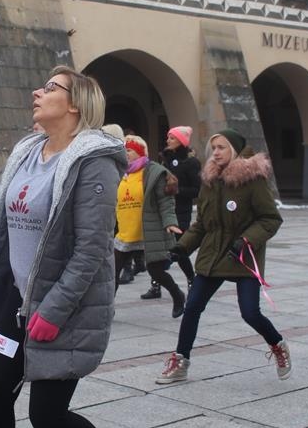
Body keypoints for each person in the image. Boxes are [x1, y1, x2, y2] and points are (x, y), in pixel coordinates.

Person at [0, 66, 126, 428]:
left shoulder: (93, 162)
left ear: (75, 105)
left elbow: (92, 248)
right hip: (16, 301)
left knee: (47, 417)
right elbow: (3, 227)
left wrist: (54, 310)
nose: (38, 92)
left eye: (51, 87)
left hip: (63, 305)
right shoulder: (26, 152)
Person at [156, 129, 290, 384]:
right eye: (213, 148)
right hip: (213, 255)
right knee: (192, 307)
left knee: (250, 313)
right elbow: (202, 224)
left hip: (243, 255)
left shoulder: (253, 180)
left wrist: (246, 241)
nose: (215, 153)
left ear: (234, 150)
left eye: (221, 147)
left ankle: (277, 345)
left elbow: (270, 219)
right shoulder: (210, 180)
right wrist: (181, 248)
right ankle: (180, 360)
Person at [114, 135, 186, 318]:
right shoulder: (121, 172)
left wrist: (170, 222)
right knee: (112, 273)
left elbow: (165, 201)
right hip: (126, 232)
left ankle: (177, 295)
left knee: (156, 271)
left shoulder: (152, 173)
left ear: (139, 153)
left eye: (129, 150)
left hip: (148, 231)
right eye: (124, 150)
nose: (125, 153)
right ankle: (106, 309)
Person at [142, 126, 201, 299]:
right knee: (158, 250)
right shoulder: (165, 159)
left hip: (181, 211)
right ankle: (156, 286)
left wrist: (175, 190)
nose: (168, 140)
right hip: (162, 211)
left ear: (181, 141)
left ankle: (192, 280)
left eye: (172, 138)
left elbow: (196, 190)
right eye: (168, 137)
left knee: (178, 249)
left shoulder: (191, 163)